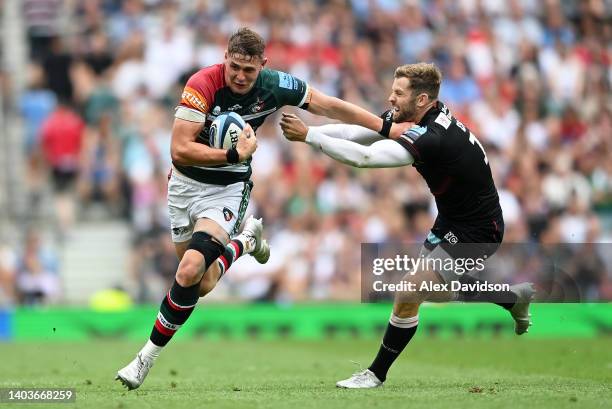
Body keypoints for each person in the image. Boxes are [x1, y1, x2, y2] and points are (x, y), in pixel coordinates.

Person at [116, 27, 407, 390]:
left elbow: (327, 104)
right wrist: (234, 153)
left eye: (248, 70)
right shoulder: (202, 84)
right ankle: (246, 242)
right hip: (184, 187)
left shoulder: (274, 85)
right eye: (234, 66)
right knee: (201, 283)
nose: (240, 76)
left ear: (262, 66)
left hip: (226, 189)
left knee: (190, 269)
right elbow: (179, 149)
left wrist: (383, 127)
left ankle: (144, 359)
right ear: (225, 57)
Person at [280, 62, 535, 389]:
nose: (390, 98)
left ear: (422, 99)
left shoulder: (431, 136)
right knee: (436, 293)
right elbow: (357, 133)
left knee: (409, 290)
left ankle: (375, 374)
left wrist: (310, 135)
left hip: (480, 230)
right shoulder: (419, 116)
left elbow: (365, 159)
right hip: (452, 220)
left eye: (398, 93)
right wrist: (306, 135)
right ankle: (512, 298)